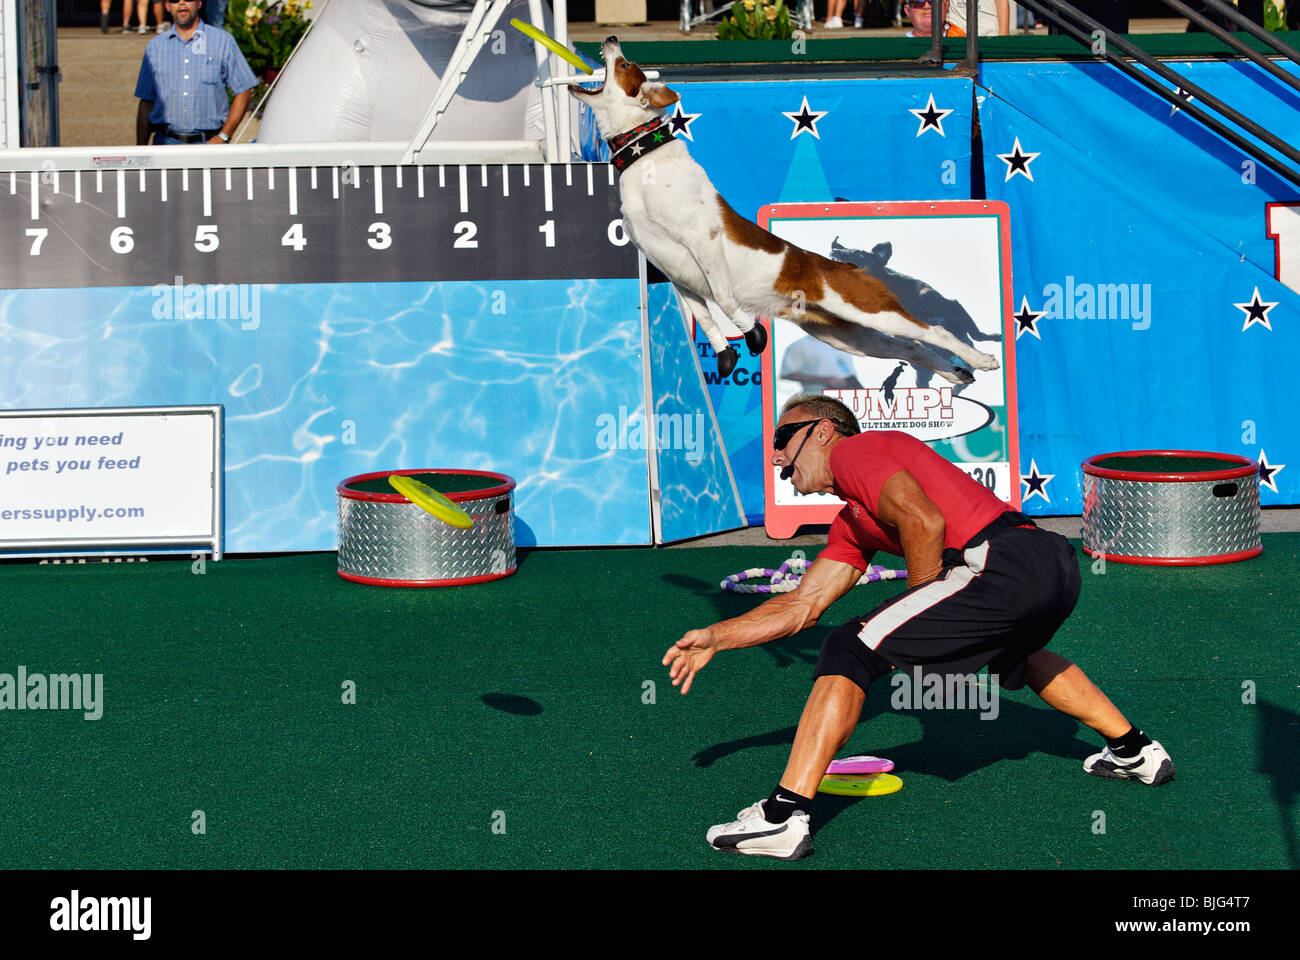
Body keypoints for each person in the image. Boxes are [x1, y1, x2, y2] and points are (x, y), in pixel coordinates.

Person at [663, 394, 1175, 860]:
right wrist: (719, 635)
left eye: (781, 439)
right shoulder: (852, 520)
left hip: (1000, 561)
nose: (774, 457)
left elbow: (924, 522)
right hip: (1049, 567)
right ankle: (1135, 750)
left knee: (850, 647)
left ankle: (781, 816)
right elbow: (804, 603)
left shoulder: (854, 453)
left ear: (822, 431)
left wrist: (918, 603)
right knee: (1009, 653)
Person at [134, 0, 258, 146]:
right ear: (167, 6)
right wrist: (141, 149)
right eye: (174, 0)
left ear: (199, 3)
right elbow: (146, 102)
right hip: (166, 144)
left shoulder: (223, 41)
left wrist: (224, 136)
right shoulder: (155, 47)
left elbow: (244, 89)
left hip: (209, 144)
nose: (181, 3)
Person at [902, 0, 967, 36]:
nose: (927, 6)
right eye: (919, 1)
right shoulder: (896, 47)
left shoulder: (966, 42)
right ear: (907, 11)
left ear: (946, 5)